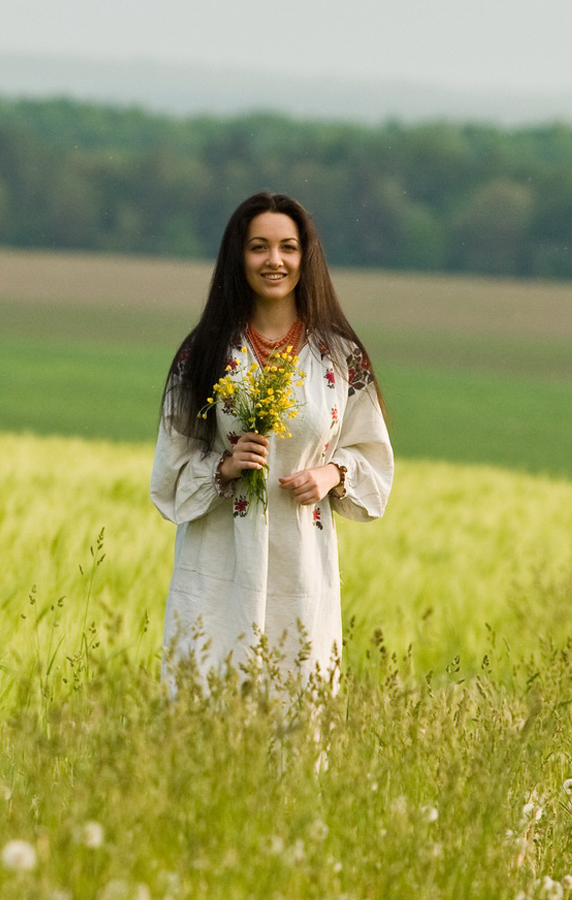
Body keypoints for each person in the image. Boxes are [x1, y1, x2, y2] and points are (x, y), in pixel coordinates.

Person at [150, 191, 393, 699]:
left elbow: (373, 459)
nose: (274, 260)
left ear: (306, 257)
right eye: (259, 247)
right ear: (239, 257)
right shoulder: (204, 352)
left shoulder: (340, 357)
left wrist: (332, 474)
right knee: (206, 720)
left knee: (295, 718)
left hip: (300, 565)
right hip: (218, 564)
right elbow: (170, 472)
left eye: (287, 247)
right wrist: (224, 465)